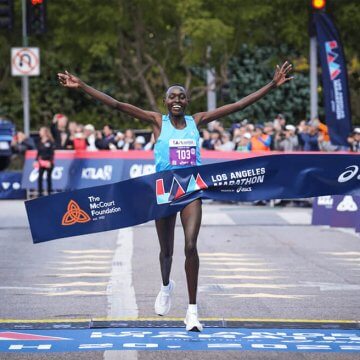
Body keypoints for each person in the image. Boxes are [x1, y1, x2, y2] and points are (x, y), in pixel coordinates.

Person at [58, 61, 292, 331]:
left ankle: (192, 312)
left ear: (188, 100)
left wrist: (272, 85)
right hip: (165, 191)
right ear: (165, 101)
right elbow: (118, 105)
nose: (177, 100)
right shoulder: (157, 121)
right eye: (172, 96)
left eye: (181, 96)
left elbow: (238, 105)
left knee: (190, 246)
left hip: (191, 189)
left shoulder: (198, 121)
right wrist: (83, 86)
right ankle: (166, 285)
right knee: (166, 252)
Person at [35, 126, 55, 197]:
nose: (39, 132)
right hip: (41, 162)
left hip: (48, 162)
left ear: (45, 132)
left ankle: (49, 192)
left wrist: (50, 161)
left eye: (41, 131)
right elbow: (38, 153)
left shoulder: (50, 142)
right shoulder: (39, 141)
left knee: (48, 177)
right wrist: (36, 161)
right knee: (40, 177)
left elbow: (52, 153)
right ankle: (40, 192)